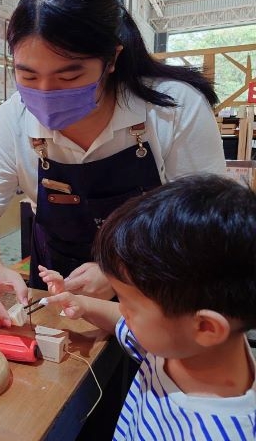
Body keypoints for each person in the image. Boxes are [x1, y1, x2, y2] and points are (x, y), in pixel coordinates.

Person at [0, 0, 226, 328]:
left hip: (159, 288)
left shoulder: (173, 109)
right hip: (59, 289)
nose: (45, 92)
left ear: (112, 59)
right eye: (27, 75)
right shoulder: (11, 120)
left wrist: (121, 270)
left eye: (69, 75)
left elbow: (204, 226)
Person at [40, 174, 256, 440]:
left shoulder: (219, 432)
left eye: (128, 303)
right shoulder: (183, 345)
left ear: (206, 327)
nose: (122, 309)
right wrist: (82, 304)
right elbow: (125, 322)